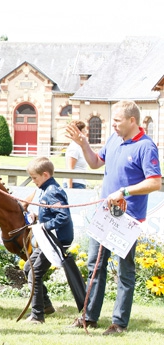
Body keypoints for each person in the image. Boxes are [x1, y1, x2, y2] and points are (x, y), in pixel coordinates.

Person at [65, 100, 161, 335]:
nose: (113, 125)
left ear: (132, 121)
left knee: (124, 271)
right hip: (105, 214)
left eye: (117, 121)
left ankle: (119, 323)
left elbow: (155, 182)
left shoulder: (146, 147)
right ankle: (89, 317)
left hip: (127, 219)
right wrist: (83, 144)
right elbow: (96, 163)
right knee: (94, 265)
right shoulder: (114, 140)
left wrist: (125, 192)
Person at [23, 156, 74, 324]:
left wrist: (42, 226)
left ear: (45, 175)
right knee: (27, 269)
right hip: (48, 239)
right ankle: (46, 306)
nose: (33, 181)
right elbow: (53, 213)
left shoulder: (53, 191)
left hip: (56, 241)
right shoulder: (47, 189)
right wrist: (38, 216)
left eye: (34, 178)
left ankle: (37, 316)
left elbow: (63, 217)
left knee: (35, 274)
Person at [63, 120, 88, 189]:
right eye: (84, 130)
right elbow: (70, 169)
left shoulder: (79, 146)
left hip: (80, 183)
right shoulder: (74, 148)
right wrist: (70, 188)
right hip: (75, 184)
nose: (86, 132)